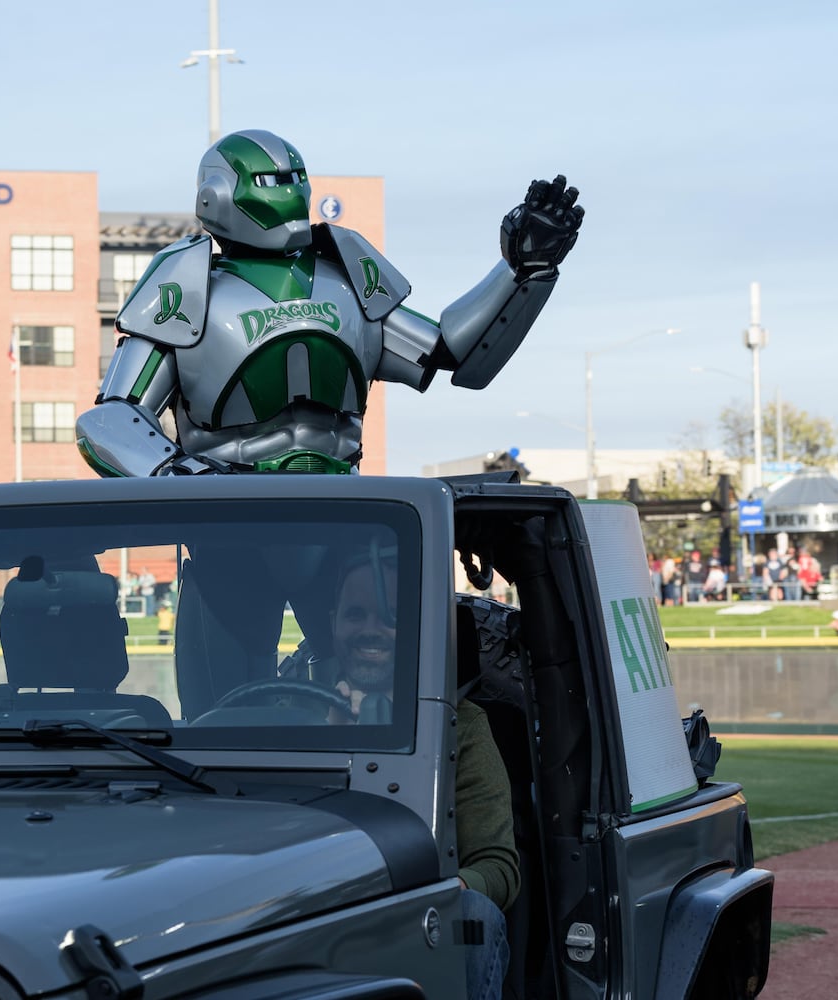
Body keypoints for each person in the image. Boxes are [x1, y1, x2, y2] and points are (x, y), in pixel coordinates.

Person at [77, 129, 583, 478]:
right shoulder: (187, 285)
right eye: (273, 180)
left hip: (342, 503)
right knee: (228, 638)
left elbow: (458, 356)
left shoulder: (344, 277)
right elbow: (112, 418)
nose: (289, 191)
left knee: (370, 637)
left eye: (294, 177)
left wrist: (522, 271)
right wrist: (177, 475)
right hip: (231, 517)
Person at [325, 556, 517, 1000]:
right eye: (356, 615)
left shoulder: (461, 726)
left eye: (390, 617)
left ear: (415, 627)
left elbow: (499, 867)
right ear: (334, 623)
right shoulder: (285, 714)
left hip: (421, 919)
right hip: (306, 908)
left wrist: (444, 895)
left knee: (473, 918)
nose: (370, 629)